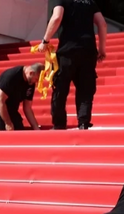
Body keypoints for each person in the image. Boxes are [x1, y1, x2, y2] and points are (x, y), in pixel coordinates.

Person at [37, 0, 107, 130]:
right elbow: (102, 24)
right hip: (88, 51)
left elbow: (57, 17)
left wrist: (45, 41)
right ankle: (83, 123)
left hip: (67, 51)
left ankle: (59, 124)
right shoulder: (90, 2)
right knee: (85, 90)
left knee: (60, 89)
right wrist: (102, 49)